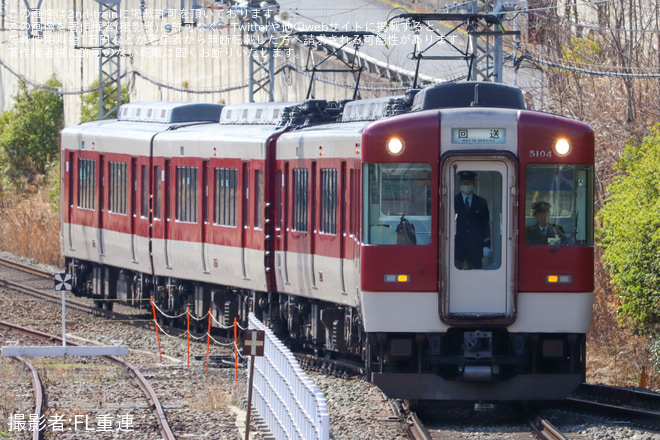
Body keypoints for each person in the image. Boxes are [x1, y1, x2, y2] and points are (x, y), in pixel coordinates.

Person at [454, 171, 491, 269]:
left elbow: (485, 224)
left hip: (475, 247)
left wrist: (486, 244)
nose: (466, 185)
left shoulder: (481, 202)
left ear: (473, 184)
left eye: (468, 183)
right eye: (463, 183)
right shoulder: (453, 201)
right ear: (460, 184)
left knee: (476, 276)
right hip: (456, 247)